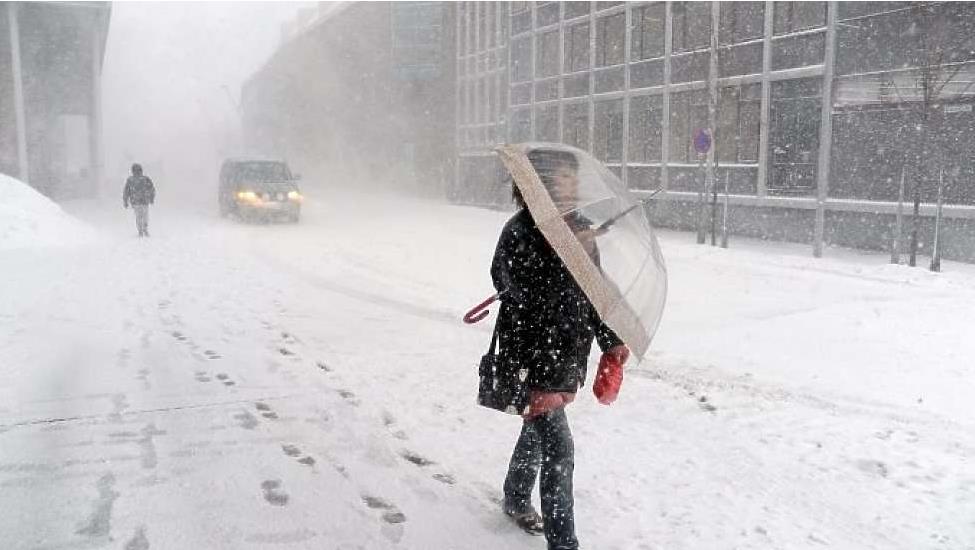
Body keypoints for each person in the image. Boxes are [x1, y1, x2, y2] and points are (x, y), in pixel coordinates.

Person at [490, 148, 629, 550]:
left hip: (565, 355)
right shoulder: (519, 233)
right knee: (559, 451)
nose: (570, 188)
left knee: (536, 432)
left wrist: (611, 339)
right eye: (562, 181)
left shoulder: (579, 229)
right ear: (540, 186)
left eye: (573, 180)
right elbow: (516, 292)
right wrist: (557, 255)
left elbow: (596, 292)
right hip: (531, 358)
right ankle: (563, 543)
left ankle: (516, 499)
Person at [122, 163, 156, 237]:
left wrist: (125, 201)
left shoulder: (130, 180)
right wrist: (151, 198)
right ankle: (144, 229)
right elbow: (152, 189)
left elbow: (126, 191)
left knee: (139, 216)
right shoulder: (145, 179)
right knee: (144, 216)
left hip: (136, 201)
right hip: (144, 201)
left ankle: (141, 230)